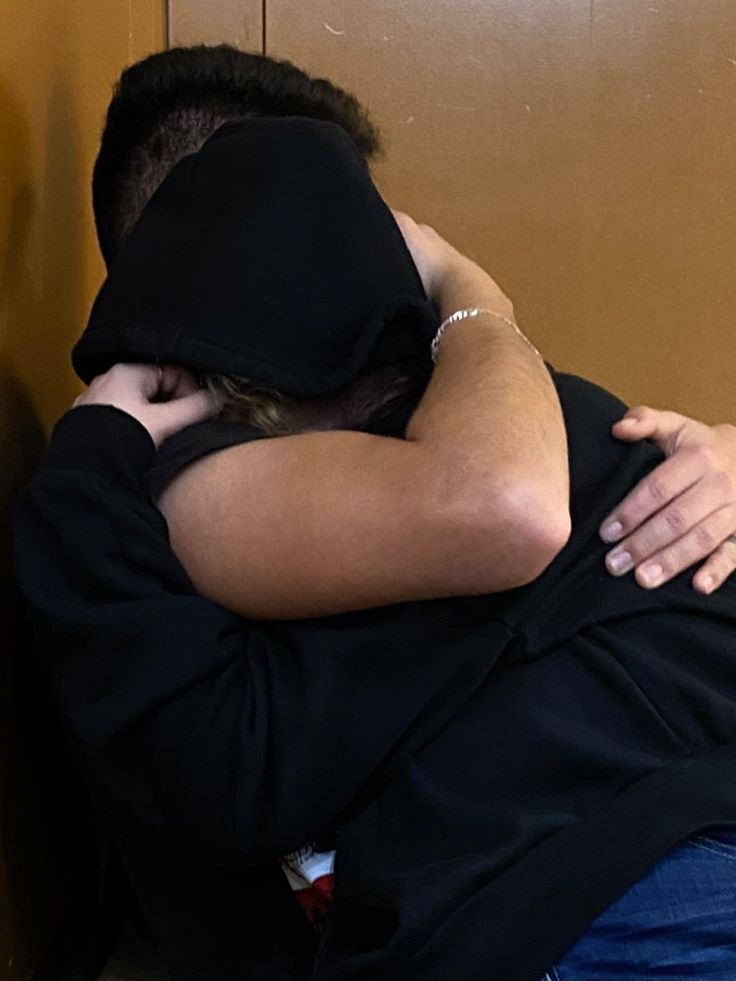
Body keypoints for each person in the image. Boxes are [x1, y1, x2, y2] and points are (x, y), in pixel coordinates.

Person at [13, 106, 736, 981]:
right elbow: (506, 507)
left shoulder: (462, 398)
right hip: (603, 877)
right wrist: (474, 292)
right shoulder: (190, 475)